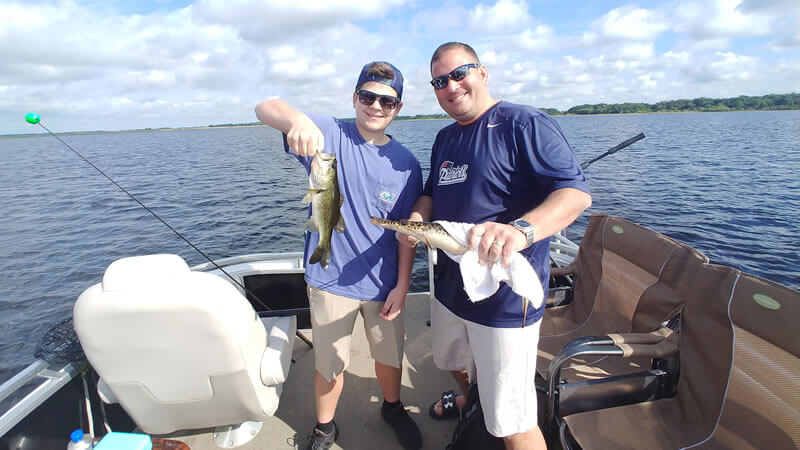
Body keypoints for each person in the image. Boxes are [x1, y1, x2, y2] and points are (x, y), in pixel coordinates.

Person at [406, 42, 592, 449]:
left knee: (514, 419)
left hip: (505, 300)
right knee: (456, 363)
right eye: (439, 81)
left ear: (483, 72)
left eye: (460, 73)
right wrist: (420, 218)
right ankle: (473, 401)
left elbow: (575, 194)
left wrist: (521, 230)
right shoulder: (443, 139)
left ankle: (495, 414)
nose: (450, 86)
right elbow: (432, 193)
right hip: (452, 288)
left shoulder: (523, 123)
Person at [255, 61, 423, 450]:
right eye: (368, 96)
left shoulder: (408, 164)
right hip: (329, 279)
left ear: (397, 108)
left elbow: (405, 235)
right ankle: (325, 427)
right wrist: (296, 120)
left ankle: (393, 407)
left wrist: (402, 284)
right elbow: (265, 107)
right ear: (355, 98)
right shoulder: (330, 133)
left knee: (388, 357)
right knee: (329, 364)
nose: (376, 106)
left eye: (387, 100)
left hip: (383, 284)